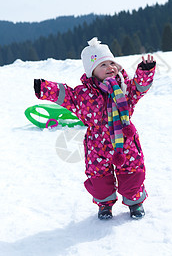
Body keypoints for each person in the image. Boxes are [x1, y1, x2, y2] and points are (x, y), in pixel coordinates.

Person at [34, 37, 156, 220]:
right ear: (92, 72)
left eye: (111, 63)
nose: (110, 68)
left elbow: (140, 87)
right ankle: (104, 204)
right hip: (97, 145)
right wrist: (44, 88)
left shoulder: (124, 87)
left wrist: (145, 72)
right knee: (99, 176)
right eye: (103, 65)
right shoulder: (83, 94)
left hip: (126, 140)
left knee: (132, 171)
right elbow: (66, 95)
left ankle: (135, 202)